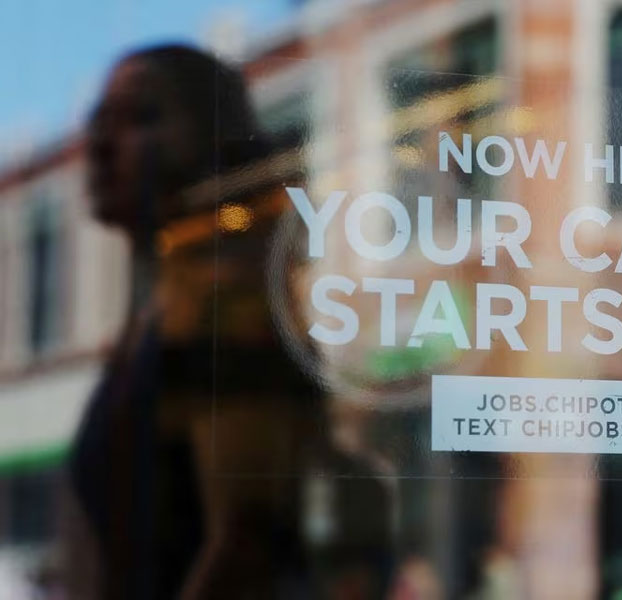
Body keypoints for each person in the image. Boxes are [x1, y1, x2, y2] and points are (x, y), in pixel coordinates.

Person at [68, 44, 391, 599]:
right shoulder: (157, 319)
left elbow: (245, 543)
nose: (99, 146)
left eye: (142, 118)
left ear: (212, 143)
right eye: (100, 120)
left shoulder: (226, 306)